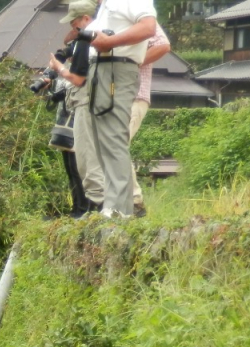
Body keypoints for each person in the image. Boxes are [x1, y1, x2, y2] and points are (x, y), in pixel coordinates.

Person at [87, 0, 160, 218]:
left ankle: (119, 209)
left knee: (114, 137)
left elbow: (149, 27)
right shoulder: (106, 6)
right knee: (102, 141)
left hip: (117, 67)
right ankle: (113, 205)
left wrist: (110, 41)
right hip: (102, 69)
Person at [50, 2, 102, 216]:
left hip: (82, 111)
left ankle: (87, 207)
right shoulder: (78, 51)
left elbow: (78, 81)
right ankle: (78, 207)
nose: (70, 54)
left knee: (82, 162)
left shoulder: (88, 47)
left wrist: (60, 69)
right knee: (72, 166)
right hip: (68, 116)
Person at [129, 22, 171, 216]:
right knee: (107, 146)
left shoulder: (138, 13)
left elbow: (163, 44)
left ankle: (134, 201)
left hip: (135, 94)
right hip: (113, 96)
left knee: (116, 145)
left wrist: (133, 63)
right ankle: (128, 201)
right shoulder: (106, 16)